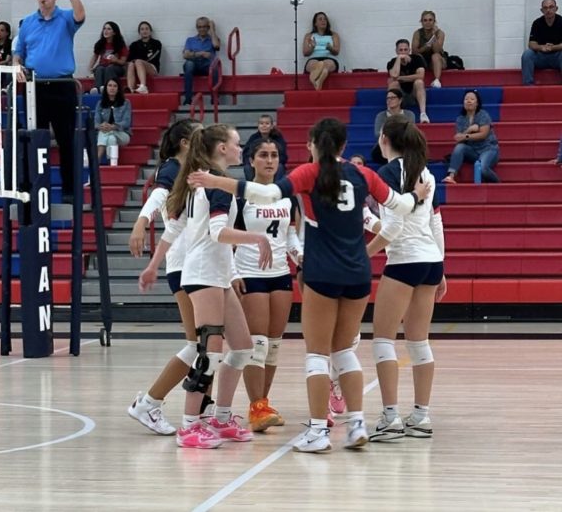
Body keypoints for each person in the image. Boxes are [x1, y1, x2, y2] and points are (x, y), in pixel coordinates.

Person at [187, 118, 431, 453]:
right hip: (359, 273)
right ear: (344, 146)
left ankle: (318, 431)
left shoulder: (309, 173)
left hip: (322, 272)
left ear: (313, 144)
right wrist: (416, 197)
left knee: (317, 354)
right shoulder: (363, 175)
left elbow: (268, 192)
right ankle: (357, 422)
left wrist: (217, 180)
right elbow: (401, 207)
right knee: (345, 350)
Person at [139, 124, 273, 449]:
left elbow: (176, 229)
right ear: (222, 148)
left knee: (242, 347)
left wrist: (154, 265)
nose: (241, 148)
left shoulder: (204, 182)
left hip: (218, 273)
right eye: (237, 143)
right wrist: (257, 237)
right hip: (203, 274)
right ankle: (189, 426)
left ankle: (222, 418)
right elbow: (217, 232)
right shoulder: (215, 186)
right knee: (208, 351)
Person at [366, 115, 446, 441]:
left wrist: (365, 254)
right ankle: (421, 416)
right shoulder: (426, 173)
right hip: (430, 261)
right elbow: (435, 224)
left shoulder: (386, 173)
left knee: (383, 340)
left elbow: (395, 228)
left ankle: (390, 418)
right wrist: (442, 267)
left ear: (384, 137)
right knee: (418, 341)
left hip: (404, 261)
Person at [128, 119, 204, 436]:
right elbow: (158, 196)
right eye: (199, 134)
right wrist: (141, 221)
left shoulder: (196, 172)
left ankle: (204, 412)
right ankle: (149, 402)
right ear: (186, 142)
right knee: (200, 344)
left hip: (199, 263)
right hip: (186, 265)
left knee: (210, 344)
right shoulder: (173, 168)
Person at [233, 139, 303, 432]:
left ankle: (262, 403)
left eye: (274, 155)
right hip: (251, 272)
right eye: (263, 155)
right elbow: (226, 237)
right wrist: (232, 272)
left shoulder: (288, 197)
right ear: (251, 160)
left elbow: (290, 237)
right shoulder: (241, 197)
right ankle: (256, 407)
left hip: (280, 275)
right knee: (257, 344)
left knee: (273, 346)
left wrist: (300, 258)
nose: (269, 160)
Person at [13, 0, 85, 205]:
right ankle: (35, 189)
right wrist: (16, 66)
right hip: (36, 88)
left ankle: (69, 190)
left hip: (63, 85)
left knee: (66, 141)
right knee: (36, 140)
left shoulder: (65, 17)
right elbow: (18, 53)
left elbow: (80, 15)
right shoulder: (28, 23)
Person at [442, 89, 500, 184]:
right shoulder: (460, 119)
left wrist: (465, 136)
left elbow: (483, 134)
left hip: (488, 148)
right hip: (473, 151)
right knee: (460, 147)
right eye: (466, 99)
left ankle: (498, 184)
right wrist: (469, 130)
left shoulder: (483, 114)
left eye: (472, 99)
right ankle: (450, 176)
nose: (468, 101)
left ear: (477, 103)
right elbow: (458, 139)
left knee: (483, 169)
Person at [387, 39, 430, 123]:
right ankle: (391, 113)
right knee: (393, 84)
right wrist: (398, 59)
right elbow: (394, 75)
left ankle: (423, 114)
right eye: (400, 50)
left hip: (414, 94)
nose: (403, 52)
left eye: (405, 50)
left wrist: (401, 78)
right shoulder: (392, 62)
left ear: (409, 50)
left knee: (419, 82)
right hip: (400, 95)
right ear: (396, 51)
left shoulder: (417, 59)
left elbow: (421, 76)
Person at [521, 0, 562, 85]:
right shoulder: (537, 23)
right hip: (541, 57)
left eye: (551, 7)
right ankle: (528, 86)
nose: (548, 10)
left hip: (558, 57)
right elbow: (531, 44)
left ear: (556, 8)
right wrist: (542, 47)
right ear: (542, 10)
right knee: (527, 54)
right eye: (545, 8)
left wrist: (552, 48)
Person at [372, 88, 417, 164]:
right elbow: (377, 133)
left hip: (404, 144)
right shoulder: (381, 116)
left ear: (400, 100)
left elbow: (410, 131)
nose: (389, 100)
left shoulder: (409, 114)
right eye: (388, 98)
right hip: (387, 144)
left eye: (392, 98)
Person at [182, 17, 220, 105]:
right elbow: (185, 55)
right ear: (197, 28)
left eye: (204, 27)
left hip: (207, 66)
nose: (202, 29)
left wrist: (213, 30)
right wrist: (200, 53)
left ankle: (214, 99)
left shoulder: (213, 39)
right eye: (199, 27)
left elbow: (216, 46)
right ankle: (188, 99)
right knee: (189, 64)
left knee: (215, 66)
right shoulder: (190, 40)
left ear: (208, 27)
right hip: (193, 65)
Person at [93, 78, 131, 164]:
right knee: (111, 138)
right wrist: (101, 126)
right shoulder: (100, 103)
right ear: (106, 88)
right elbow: (96, 122)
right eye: (110, 85)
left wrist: (113, 126)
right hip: (107, 132)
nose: (112, 88)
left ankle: (97, 158)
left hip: (122, 134)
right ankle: (113, 164)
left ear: (118, 89)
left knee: (104, 133)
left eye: (115, 86)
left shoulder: (126, 103)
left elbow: (126, 122)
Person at [242, 114, 288, 181]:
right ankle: (252, 188)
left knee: (280, 167)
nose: (264, 125)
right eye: (261, 123)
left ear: (272, 126)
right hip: (258, 164)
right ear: (258, 126)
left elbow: (283, 156)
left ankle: (277, 188)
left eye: (267, 123)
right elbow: (246, 154)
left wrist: (271, 161)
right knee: (247, 167)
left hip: (272, 163)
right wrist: (255, 163)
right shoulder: (253, 138)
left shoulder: (278, 138)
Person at [303, 11, 340, 91]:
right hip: (314, 58)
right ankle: (320, 78)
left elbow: (337, 51)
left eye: (325, 19)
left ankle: (314, 79)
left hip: (329, 58)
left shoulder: (334, 35)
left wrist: (330, 48)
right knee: (313, 64)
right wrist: (312, 47)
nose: (323, 21)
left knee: (326, 63)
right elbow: (305, 53)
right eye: (320, 19)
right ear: (315, 23)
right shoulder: (309, 36)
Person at [88, 21, 128, 95]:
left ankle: (108, 88)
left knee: (109, 68)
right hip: (102, 67)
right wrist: (90, 69)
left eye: (109, 29)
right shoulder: (100, 43)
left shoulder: (120, 44)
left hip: (116, 67)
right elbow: (94, 57)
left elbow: (123, 62)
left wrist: (116, 60)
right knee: (99, 68)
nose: (105, 31)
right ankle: (98, 89)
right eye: (104, 28)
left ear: (114, 32)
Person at [411, 11, 446, 88]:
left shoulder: (440, 33)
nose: (428, 22)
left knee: (435, 56)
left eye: (430, 20)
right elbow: (414, 51)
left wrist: (433, 36)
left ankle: (437, 81)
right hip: (423, 60)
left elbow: (437, 50)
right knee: (417, 58)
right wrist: (427, 46)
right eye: (425, 20)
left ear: (434, 21)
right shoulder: (417, 33)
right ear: (421, 22)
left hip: (437, 60)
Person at [126, 21, 162, 94]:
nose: (144, 31)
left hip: (152, 68)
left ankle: (143, 86)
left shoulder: (156, 43)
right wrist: (136, 61)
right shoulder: (134, 45)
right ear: (139, 32)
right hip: (136, 67)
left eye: (146, 29)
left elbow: (153, 57)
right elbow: (129, 59)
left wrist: (138, 60)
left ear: (150, 31)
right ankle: (130, 89)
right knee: (131, 64)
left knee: (138, 61)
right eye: (142, 29)